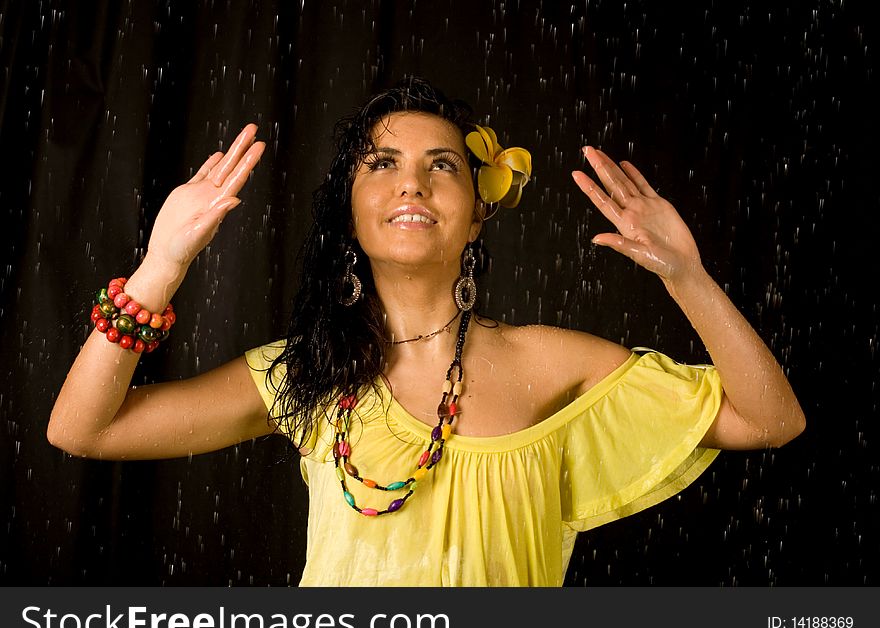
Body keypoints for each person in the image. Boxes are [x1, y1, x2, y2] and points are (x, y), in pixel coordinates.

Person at [47, 76, 805, 586]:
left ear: (479, 210)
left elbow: (772, 419)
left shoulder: (551, 363)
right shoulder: (305, 374)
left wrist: (687, 277)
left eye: (442, 165)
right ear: (350, 208)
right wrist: (159, 266)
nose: (411, 181)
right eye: (382, 163)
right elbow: (82, 429)